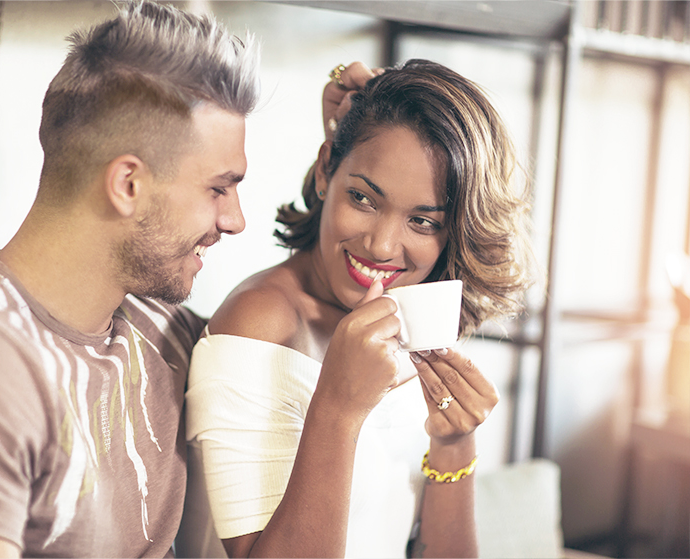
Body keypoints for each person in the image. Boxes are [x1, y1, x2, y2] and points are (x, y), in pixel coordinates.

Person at [0, 1, 260, 557]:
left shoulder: (157, 328)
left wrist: (356, 147)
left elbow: (299, 330)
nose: (235, 220)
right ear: (128, 185)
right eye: (218, 188)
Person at [184, 59, 535, 558]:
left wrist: (454, 445)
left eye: (422, 221)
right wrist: (340, 406)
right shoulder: (260, 323)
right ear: (327, 168)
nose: (382, 245)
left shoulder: (415, 318)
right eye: (363, 198)